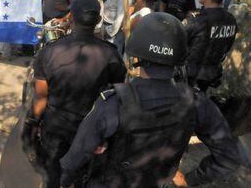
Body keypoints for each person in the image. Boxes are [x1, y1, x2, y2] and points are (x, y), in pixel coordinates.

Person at [59, 12, 242, 188]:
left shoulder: (113, 103)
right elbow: (230, 157)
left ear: (136, 56)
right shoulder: (197, 102)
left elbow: (76, 157)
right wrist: (190, 178)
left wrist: (66, 181)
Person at [28, 0, 127, 187]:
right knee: (82, 177)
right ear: (98, 20)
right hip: (90, 131)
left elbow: (40, 98)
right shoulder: (111, 54)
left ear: (71, 17)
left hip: (55, 129)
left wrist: (30, 125)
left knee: (52, 176)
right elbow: (116, 93)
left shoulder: (49, 52)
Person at [185, 0, 237, 93]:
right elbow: (228, 46)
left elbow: (180, 42)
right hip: (212, 73)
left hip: (192, 74)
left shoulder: (198, 20)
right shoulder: (231, 19)